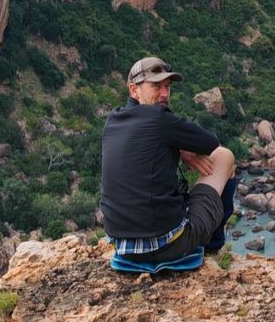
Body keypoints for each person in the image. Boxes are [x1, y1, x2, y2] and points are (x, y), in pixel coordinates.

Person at [101, 56, 238, 272]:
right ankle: (213, 243)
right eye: (156, 86)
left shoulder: (112, 120)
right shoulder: (160, 118)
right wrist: (183, 149)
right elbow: (210, 143)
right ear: (133, 90)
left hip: (122, 247)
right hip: (168, 246)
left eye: (167, 86)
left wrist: (178, 148)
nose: (164, 94)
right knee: (224, 156)